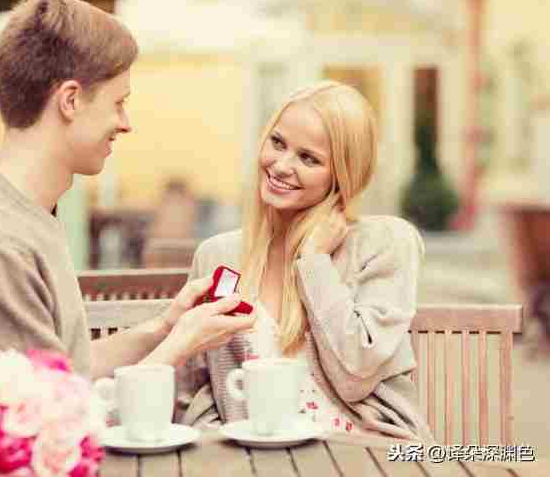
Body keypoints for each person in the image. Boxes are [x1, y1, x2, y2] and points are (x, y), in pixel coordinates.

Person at [0, 0, 256, 473]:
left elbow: (65, 374)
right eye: (119, 103)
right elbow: (57, 429)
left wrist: (164, 327)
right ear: (71, 100)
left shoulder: (21, 211)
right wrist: (181, 345)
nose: (126, 124)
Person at [176, 81, 435, 442]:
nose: (281, 166)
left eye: (308, 158)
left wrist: (315, 263)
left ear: (342, 175)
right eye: (277, 143)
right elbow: (198, 385)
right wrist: (219, 448)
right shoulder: (220, 256)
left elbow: (356, 371)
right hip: (256, 456)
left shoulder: (387, 242)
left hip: (364, 452)